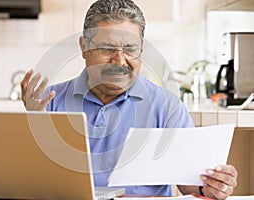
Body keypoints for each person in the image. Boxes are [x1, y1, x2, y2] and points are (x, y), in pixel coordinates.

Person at [21, 0, 238, 198]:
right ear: (84, 47)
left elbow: (190, 182)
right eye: (107, 48)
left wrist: (212, 185)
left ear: (141, 48)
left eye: (130, 49)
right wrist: (33, 123)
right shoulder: (48, 101)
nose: (120, 60)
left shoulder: (166, 106)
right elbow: (29, 181)